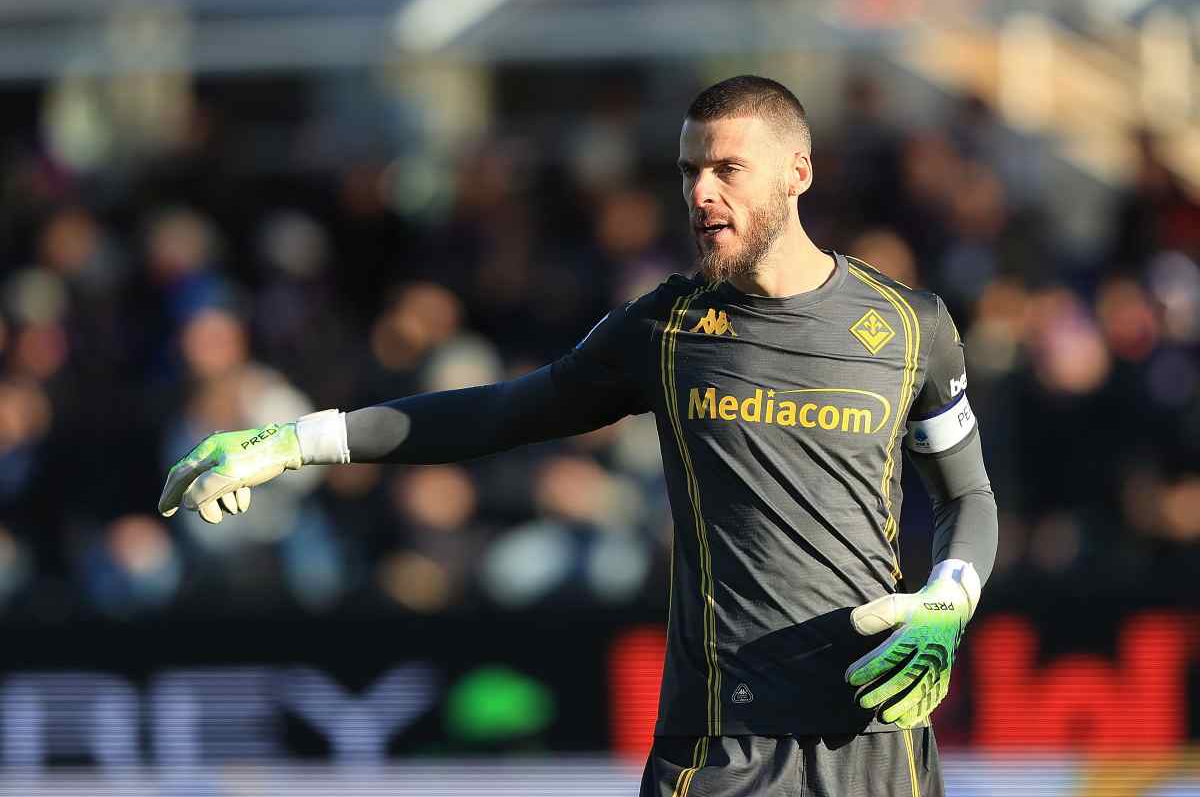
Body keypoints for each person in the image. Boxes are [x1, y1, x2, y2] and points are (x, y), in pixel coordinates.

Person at [159, 75, 997, 797]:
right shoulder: (668, 329)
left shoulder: (912, 326)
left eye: (727, 169)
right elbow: (502, 411)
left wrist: (951, 597)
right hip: (722, 743)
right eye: (690, 171)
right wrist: (301, 439)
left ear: (797, 173)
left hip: (879, 737)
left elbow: (966, 494)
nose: (702, 192)